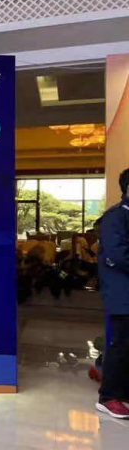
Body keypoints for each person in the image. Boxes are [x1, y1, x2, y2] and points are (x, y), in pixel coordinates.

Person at [96, 167, 129, 419]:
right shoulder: (115, 217)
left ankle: (123, 391)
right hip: (122, 293)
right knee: (121, 344)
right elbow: (118, 255)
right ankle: (108, 397)